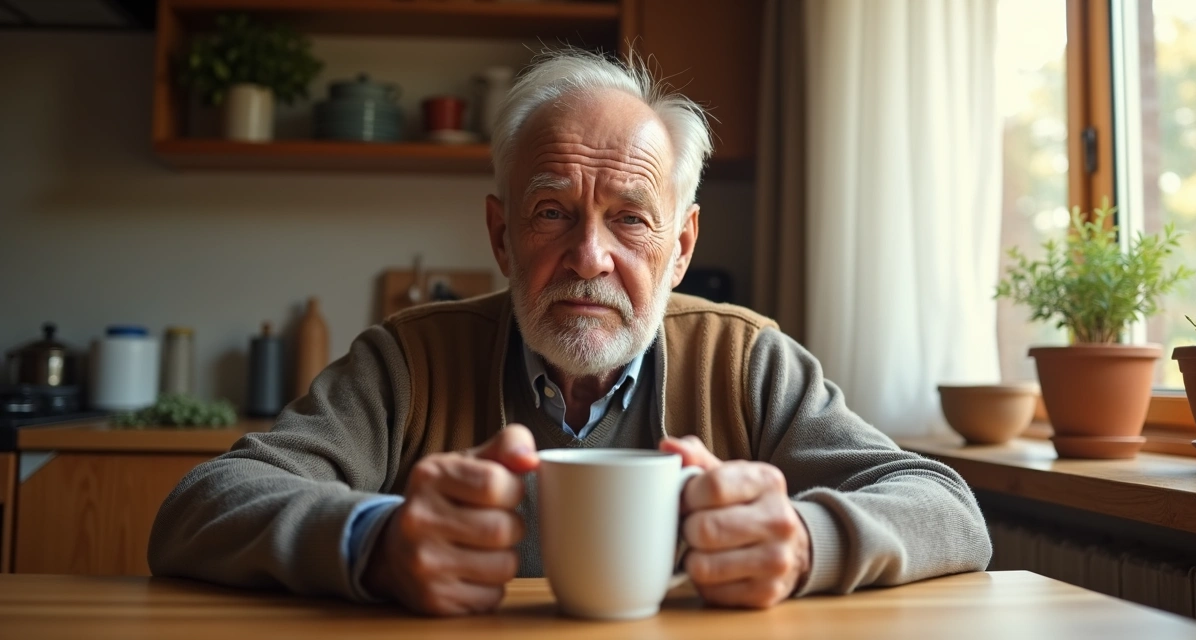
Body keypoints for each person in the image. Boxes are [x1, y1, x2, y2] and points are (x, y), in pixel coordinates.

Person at [148, 50, 991, 616]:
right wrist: (375, 542)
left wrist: (805, 543)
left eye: (631, 220)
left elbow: (949, 510)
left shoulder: (746, 360)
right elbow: (196, 511)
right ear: (502, 236)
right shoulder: (408, 360)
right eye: (551, 212)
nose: (589, 256)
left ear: (682, 249)